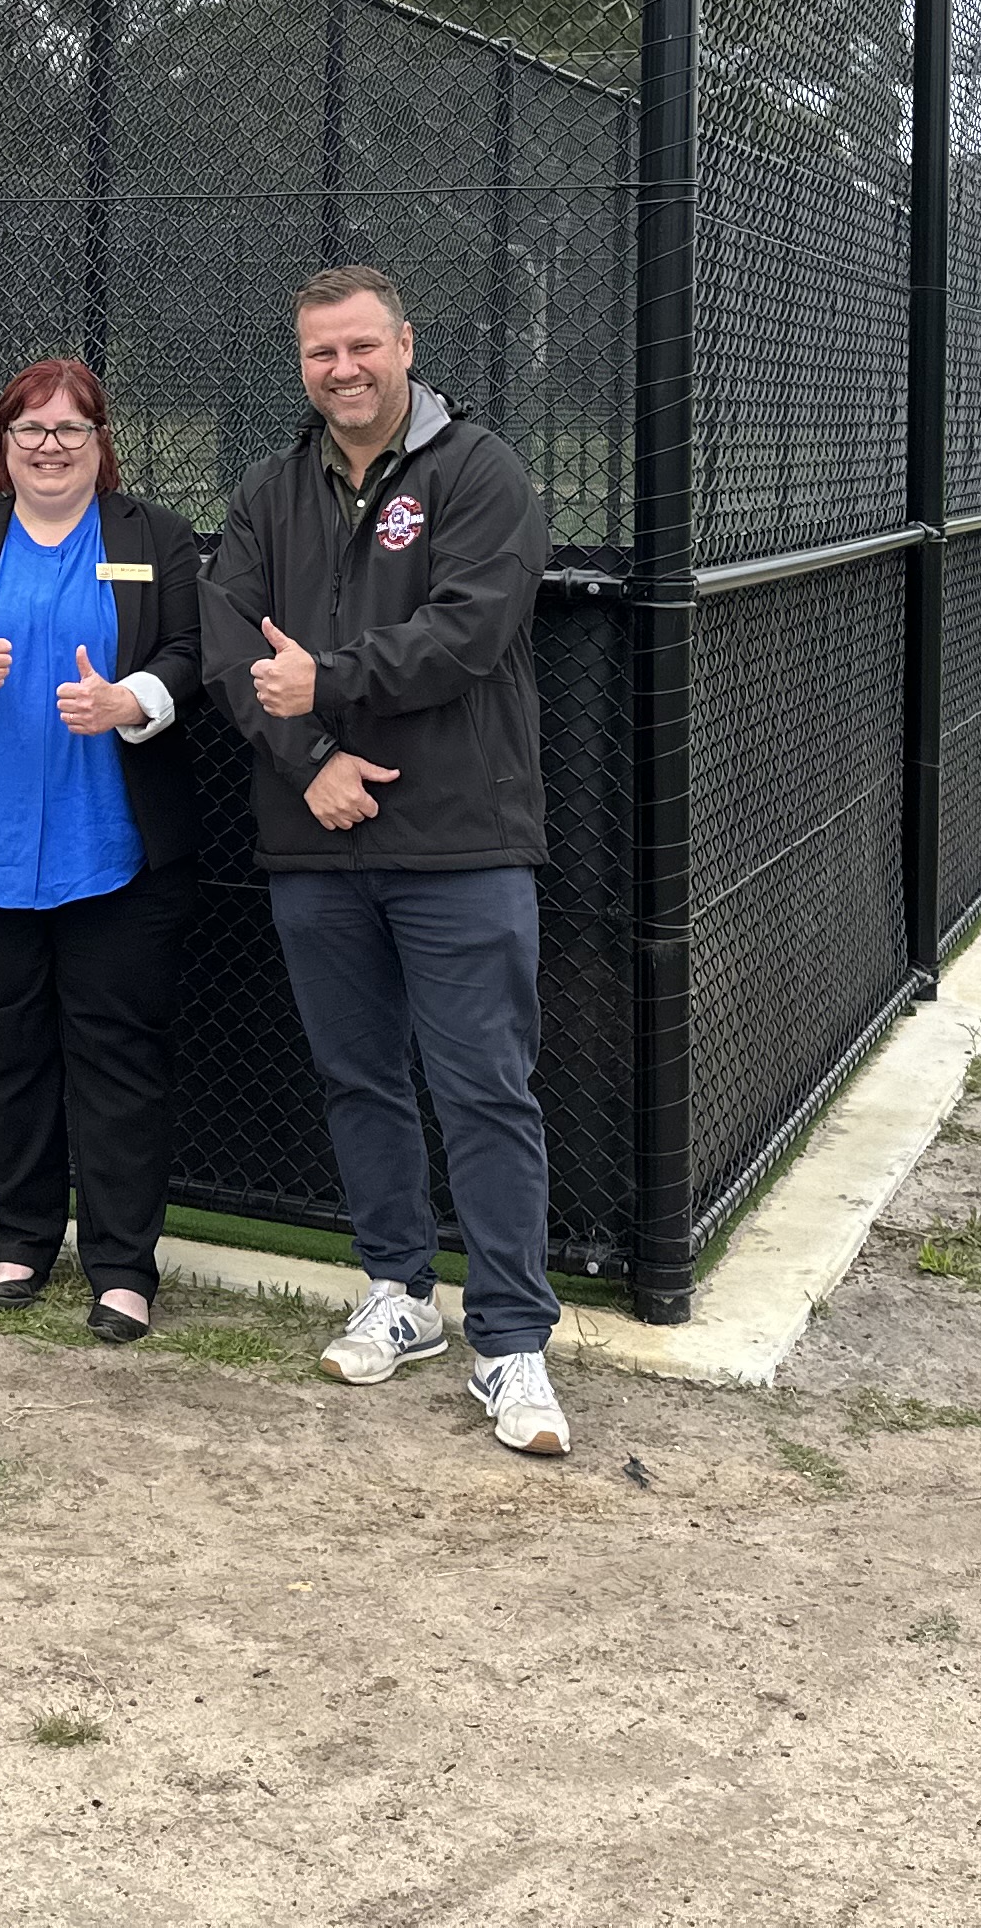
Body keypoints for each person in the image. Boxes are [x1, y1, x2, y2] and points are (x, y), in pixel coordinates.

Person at [202, 264, 571, 1459]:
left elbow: (470, 632)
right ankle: (399, 1292)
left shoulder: (481, 471)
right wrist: (310, 758)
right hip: (315, 837)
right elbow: (226, 647)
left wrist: (330, 681)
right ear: (300, 364)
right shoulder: (268, 490)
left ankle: (511, 1343)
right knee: (358, 1078)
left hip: (462, 842)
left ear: (406, 344)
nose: (344, 372)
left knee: (483, 1089)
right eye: (321, 355)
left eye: (363, 348)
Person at [0, 360, 203, 1343]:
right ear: (3, 447)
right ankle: (20, 1240)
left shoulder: (157, 539)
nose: (51, 446)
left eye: (71, 429)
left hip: (115, 854)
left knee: (117, 1061)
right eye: (30, 431)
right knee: (8, 1058)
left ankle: (121, 1269)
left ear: (103, 442)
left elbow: (193, 655)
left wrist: (131, 701)